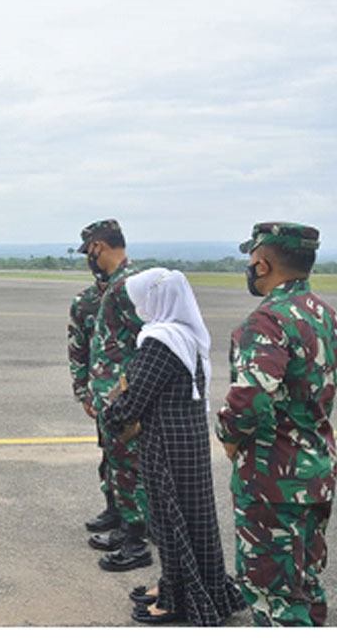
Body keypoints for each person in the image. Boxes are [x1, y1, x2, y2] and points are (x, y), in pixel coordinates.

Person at [103, 268, 244, 625]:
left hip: (167, 443)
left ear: (156, 300)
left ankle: (179, 598)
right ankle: (180, 583)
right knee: (193, 517)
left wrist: (110, 411)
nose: (138, 307)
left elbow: (133, 400)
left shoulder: (159, 341)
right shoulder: (184, 334)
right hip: (187, 439)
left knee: (170, 518)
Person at [215, 222, 336, 626]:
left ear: (263, 265)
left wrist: (228, 435)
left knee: (273, 596)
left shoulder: (267, 321)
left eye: (251, 260)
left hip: (272, 481)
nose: (249, 268)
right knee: (304, 583)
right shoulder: (325, 315)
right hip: (316, 472)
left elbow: (250, 399)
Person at [79, 219, 151, 571]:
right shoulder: (118, 285)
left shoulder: (130, 285)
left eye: (89, 250)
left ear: (98, 246)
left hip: (128, 398)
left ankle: (136, 541)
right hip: (114, 398)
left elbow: (149, 344)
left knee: (130, 468)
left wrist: (131, 394)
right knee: (119, 466)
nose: (88, 258)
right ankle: (126, 530)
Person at [69, 276, 117, 536]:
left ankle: (143, 518)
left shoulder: (133, 294)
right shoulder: (84, 302)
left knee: (138, 460)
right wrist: (82, 391)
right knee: (109, 454)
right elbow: (77, 348)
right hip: (100, 392)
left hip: (132, 392)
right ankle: (114, 509)